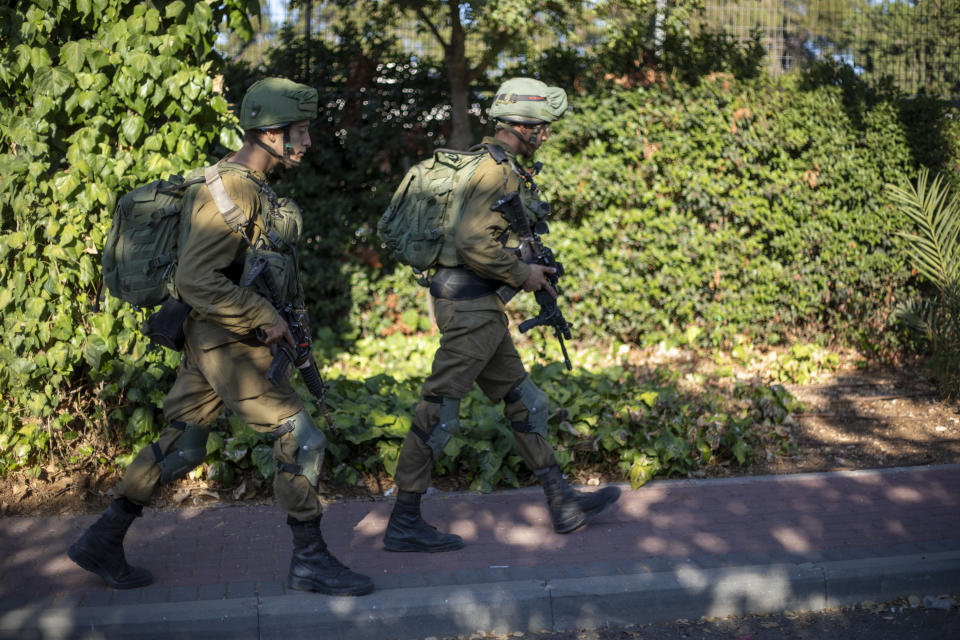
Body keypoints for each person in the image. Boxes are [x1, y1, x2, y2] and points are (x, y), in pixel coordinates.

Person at [68, 78, 373, 596]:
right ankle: (311, 562)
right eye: (299, 131)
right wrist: (262, 315)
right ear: (270, 135)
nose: (307, 142)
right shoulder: (233, 189)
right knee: (301, 440)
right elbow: (195, 279)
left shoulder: (244, 184)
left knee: (185, 446)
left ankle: (103, 538)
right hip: (228, 341)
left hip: (213, 338)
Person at [383, 77, 621, 553]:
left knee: (525, 402)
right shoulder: (497, 172)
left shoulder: (485, 163)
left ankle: (562, 503)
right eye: (543, 128)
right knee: (440, 410)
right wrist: (523, 273)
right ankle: (403, 520)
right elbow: (473, 243)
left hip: (479, 308)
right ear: (523, 126)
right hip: (470, 311)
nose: (546, 136)